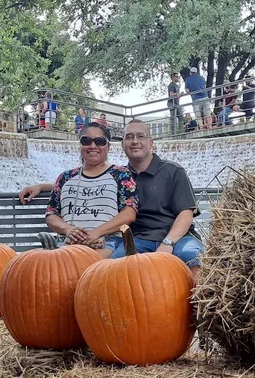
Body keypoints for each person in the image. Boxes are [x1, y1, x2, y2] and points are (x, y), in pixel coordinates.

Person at [20, 119, 203, 279]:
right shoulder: (119, 175)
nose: (135, 141)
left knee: (192, 257)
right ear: (122, 145)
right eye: (129, 137)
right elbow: (87, 182)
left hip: (177, 237)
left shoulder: (173, 171)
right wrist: (43, 187)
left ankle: (200, 313)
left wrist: (167, 243)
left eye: (140, 136)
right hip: (136, 238)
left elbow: (185, 215)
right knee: (109, 272)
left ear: (151, 142)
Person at [43, 122, 138, 258]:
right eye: (86, 140)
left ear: (108, 146)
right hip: (67, 244)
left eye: (99, 141)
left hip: (107, 243)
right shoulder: (65, 177)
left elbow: (129, 214)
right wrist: (68, 229)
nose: (93, 146)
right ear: (80, 144)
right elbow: (51, 214)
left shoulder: (121, 175)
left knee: (84, 266)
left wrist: (97, 232)